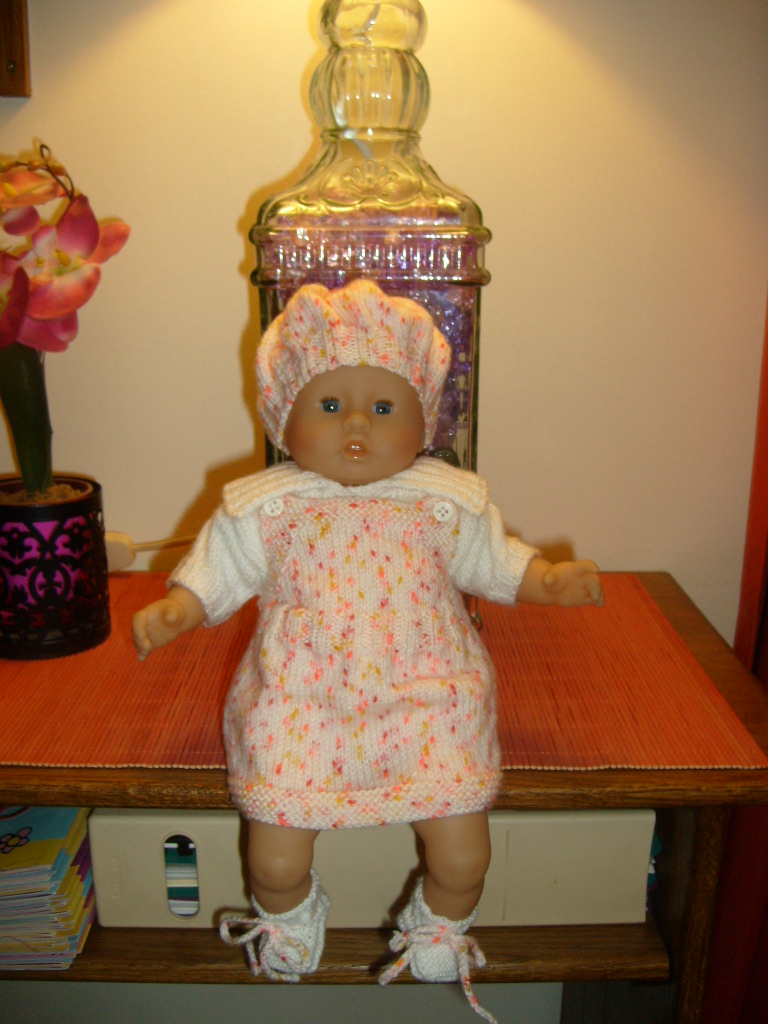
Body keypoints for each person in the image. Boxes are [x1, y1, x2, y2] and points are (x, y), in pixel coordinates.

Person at [132, 279, 603, 1019]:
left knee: (464, 853)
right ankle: (286, 916)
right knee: (273, 856)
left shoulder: (446, 501)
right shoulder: (266, 508)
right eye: (329, 405)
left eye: (384, 408)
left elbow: (497, 564)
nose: (356, 424)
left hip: (430, 697)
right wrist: (180, 609)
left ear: (424, 420)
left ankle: (440, 925)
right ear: (284, 418)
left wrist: (547, 580)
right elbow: (217, 575)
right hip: (301, 701)